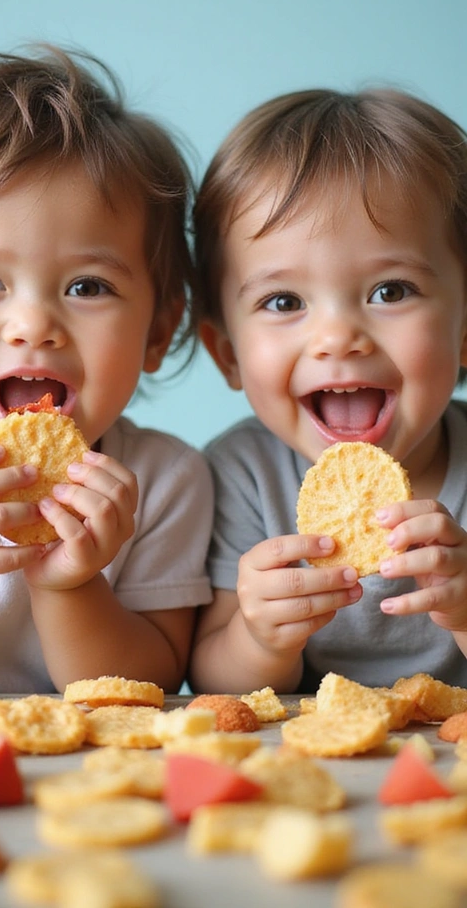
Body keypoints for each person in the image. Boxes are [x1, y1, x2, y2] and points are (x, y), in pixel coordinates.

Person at [0, 45, 213, 694]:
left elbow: (150, 690)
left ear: (159, 331)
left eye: (88, 287)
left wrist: (73, 586)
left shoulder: (165, 482)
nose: (34, 324)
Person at [188, 86, 467, 694]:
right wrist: (260, 641)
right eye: (284, 301)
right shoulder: (241, 475)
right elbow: (208, 678)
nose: (338, 338)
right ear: (227, 352)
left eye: (391, 291)